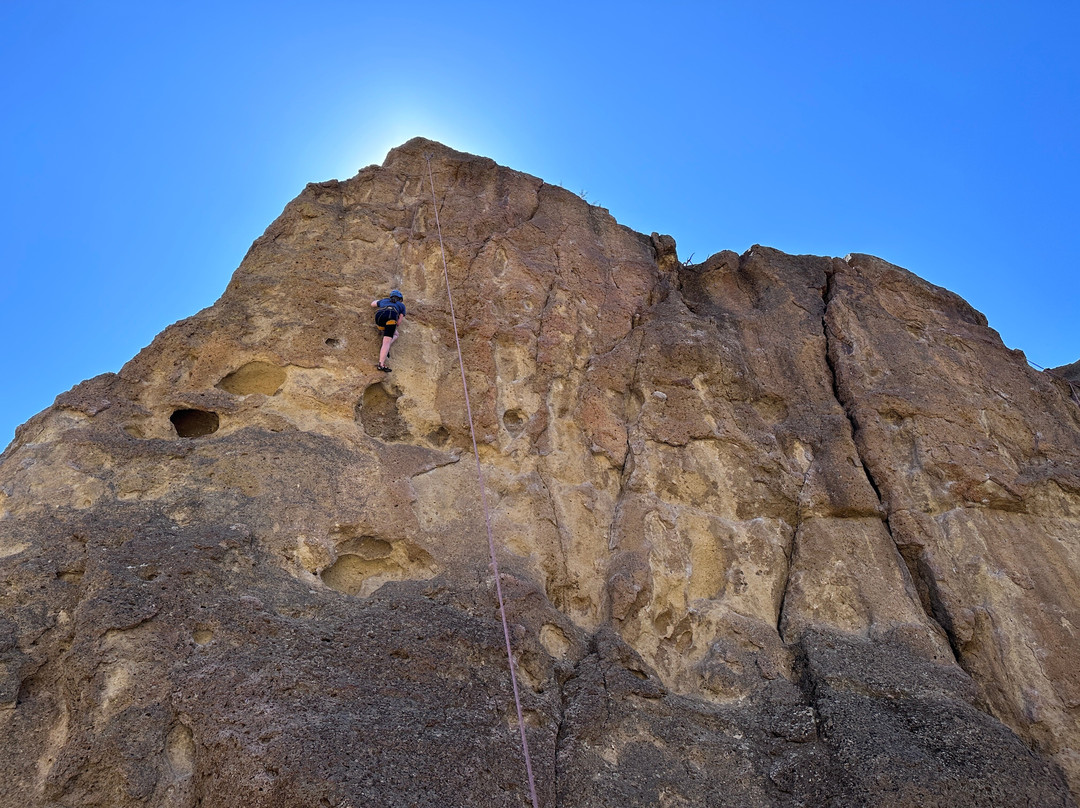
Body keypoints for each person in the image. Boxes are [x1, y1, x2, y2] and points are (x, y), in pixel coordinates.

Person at [371, 289, 406, 372]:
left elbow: (372, 304)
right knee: (388, 341)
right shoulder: (401, 305)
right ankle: (381, 364)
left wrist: (379, 301)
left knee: (395, 334)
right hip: (391, 315)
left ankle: (385, 348)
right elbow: (398, 323)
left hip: (379, 317)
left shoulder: (385, 301)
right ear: (400, 299)